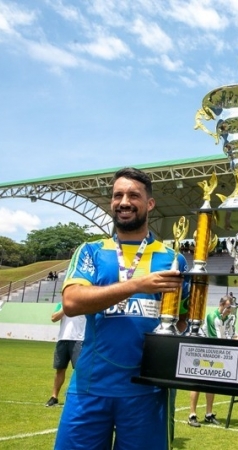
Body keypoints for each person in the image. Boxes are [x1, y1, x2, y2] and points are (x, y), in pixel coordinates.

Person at [55, 167, 190, 450]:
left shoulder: (173, 259)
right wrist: (136, 285)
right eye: (118, 195)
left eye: (133, 195)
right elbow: (72, 302)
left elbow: (184, 319)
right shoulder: (91, 250)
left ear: (150, 203)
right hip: (92, 385)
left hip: (148, 390)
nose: (124, 201)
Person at [187, 295, 233, 428]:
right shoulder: (212, 316)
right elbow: (216, 338)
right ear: (222, 305)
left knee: (210, 383)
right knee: (197, 383)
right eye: (229, 307)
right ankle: (192, 415)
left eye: (231, 307)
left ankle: (208, 414)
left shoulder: (226, 318)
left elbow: (228, 335)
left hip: (214, 353)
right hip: (203, 351)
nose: (230, 310)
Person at [45, 302, 86, 407]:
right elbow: (53, 318)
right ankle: (54, 397)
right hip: (62, 339)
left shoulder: (84, 303)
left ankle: (79, 396)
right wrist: (65, 308)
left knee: (79, 370)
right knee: (60, 369)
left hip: (79, 340)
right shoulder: (61, 304)